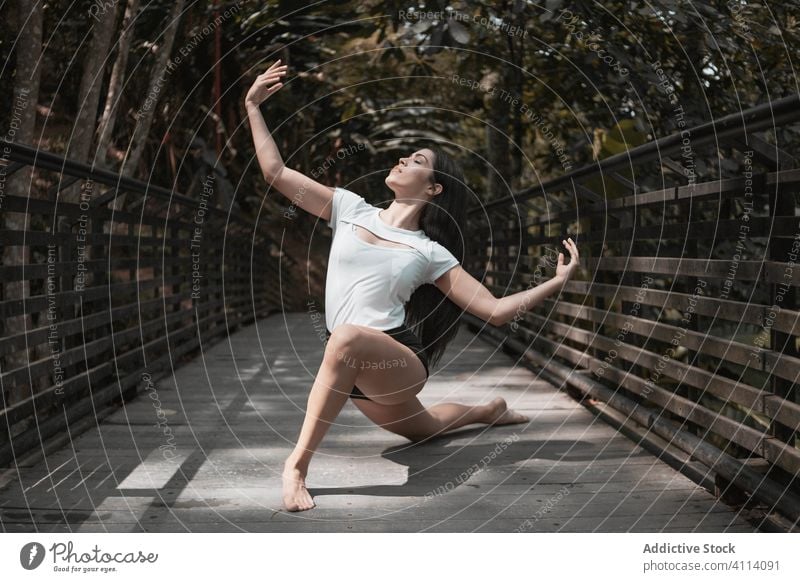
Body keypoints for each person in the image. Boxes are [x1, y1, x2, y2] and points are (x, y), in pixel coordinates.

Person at [245, 60, 581, 512]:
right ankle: (490, 410)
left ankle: (297, 466)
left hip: (397, 360)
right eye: (404, 156)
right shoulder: (350, 207)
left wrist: (556, 282)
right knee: (425, 429)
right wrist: (252, 106)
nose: (403, 160)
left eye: (417, 161)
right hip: (354, 369)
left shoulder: (429, 252)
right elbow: (274, 173)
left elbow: (496, 311)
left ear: (435, 189)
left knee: (345, 337)